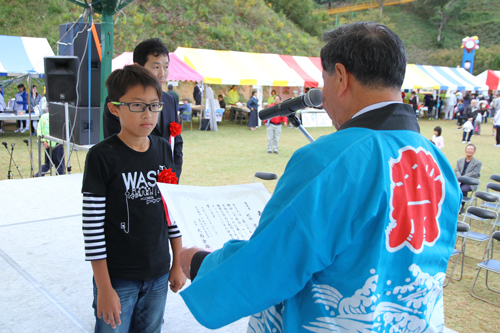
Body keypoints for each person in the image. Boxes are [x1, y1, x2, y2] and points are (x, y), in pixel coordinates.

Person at [178, 22, 460, 332]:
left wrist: (198, 262)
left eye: (323, 81)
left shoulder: (331, 157)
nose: (322, 97)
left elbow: (270, 264)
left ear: (340, 77)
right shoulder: (440, 164)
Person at [82, 65, 186, 332]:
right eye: (137, 106)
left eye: (154, 106)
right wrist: (104, 287)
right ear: (114, 108)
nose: (148, 114)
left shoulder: (163, 149)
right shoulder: (101, 157)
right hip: (118, 277)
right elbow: (92, 229)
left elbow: (170, 210)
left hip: (159, 271)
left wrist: (177, 262)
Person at [102, 38, 183, 178]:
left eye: (166, 66)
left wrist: (173, 175)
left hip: (166, 179)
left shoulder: (169, 100)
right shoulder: (120, 100)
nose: (162, 74)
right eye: (156, 67)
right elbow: (114, 142)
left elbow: (177, 144)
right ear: (138, 66)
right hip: (133, 177)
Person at [35, 101, 65, 176]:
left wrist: (44, 141)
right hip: (56, 144)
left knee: (48, 163)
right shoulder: (58, 117)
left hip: (47, 144)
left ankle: (38, 175)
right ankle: (61, 178)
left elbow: (39, 129)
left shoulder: (43, 117)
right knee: (59, 164)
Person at [454, 144, 481, 210]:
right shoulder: (460, 161)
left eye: (471, 149)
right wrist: (459, 177)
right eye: (468, 149)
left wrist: (462, 178)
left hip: (469, 182)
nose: (469, 151)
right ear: (465, 150)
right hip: (459, 180)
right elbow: (456, 170)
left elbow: (474, 173)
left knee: (463, 189)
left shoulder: (477, 163)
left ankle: (461, 207)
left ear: (474, 152)